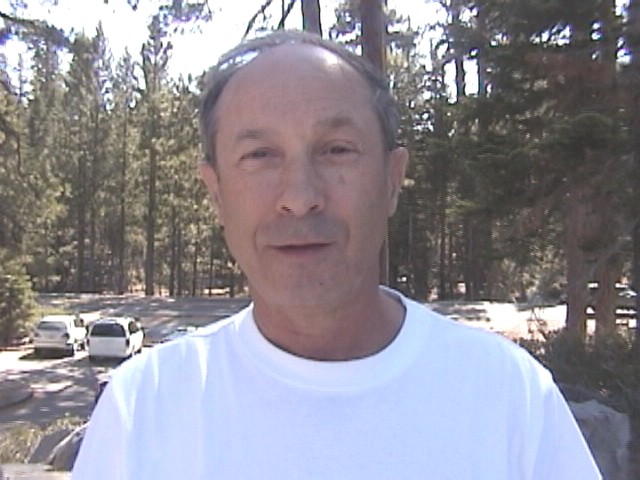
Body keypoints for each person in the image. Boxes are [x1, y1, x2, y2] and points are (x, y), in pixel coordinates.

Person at [72, 30, 601, 479]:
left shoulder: (506, 396)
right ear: (215, 193)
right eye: (260, 155)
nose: (300, 196)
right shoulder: (144, 408)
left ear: (392, 180)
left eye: (336, 150)